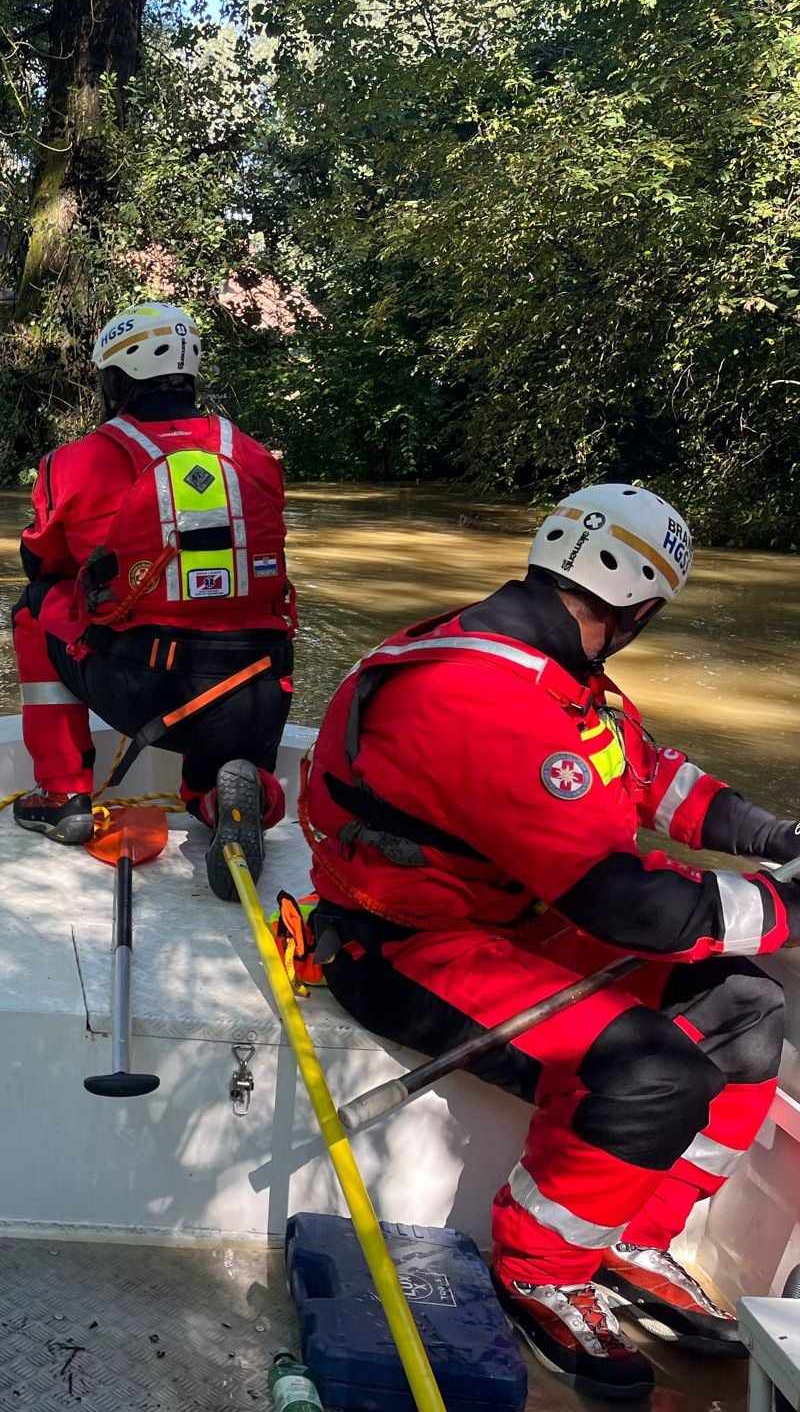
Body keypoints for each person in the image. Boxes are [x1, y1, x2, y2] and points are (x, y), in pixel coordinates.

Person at [300, 484, 800, 1400]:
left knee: (747, 1008)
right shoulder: (482, 696)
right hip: (403, 946)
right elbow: (631, 908)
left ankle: (633, 1238)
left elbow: (650, 778)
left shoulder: (558, 672)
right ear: (642, 607)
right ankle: (541, 1270)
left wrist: (776, 841)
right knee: (655, 1070)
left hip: (510, 922)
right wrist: (785, 911)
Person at [11, 301, 297, 901]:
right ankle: (228, 793)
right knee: (235, 650)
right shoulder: (253, 456)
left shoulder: (73, 462)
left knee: (33, 607)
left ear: (115, 380)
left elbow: (43, 564)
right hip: (256, 686)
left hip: (143, 686)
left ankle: (63, 796)